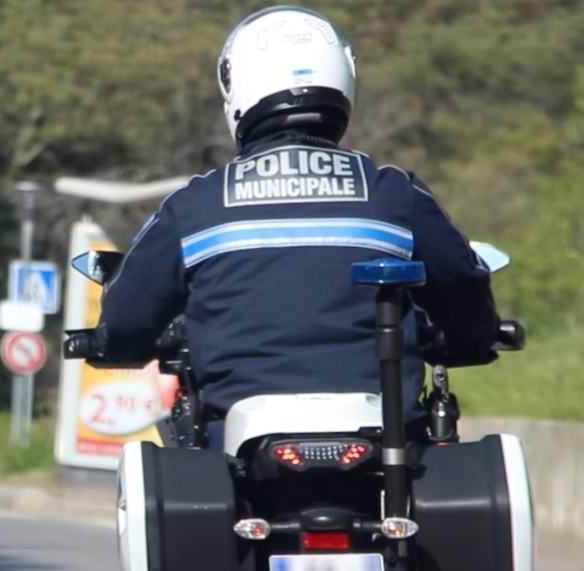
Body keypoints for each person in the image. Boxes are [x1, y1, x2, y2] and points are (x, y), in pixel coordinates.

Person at [91, 5, 500, 426]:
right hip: (387, 446)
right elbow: (462, 286)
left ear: (236, 85)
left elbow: (127, 318)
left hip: (236, 443)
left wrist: (114, 343)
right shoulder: (394, 192)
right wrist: (473, 338)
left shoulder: (194, 204)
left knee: (183, 457)